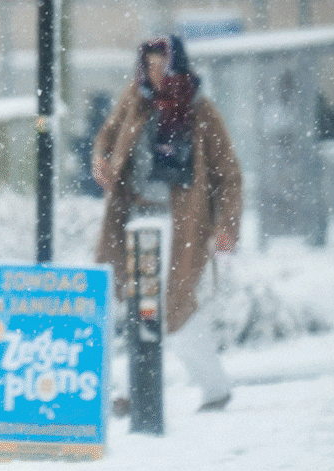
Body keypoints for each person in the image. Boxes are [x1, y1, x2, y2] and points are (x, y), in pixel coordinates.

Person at [91, 35, 243, 413]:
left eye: (162, 66)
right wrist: (100, 161)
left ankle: (149, 390)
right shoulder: (135, 100)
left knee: (170, 304)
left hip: (182, 224)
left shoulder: (200, 110)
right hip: (135, 216)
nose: (155, 74)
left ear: (177, 67)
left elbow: (228, 175)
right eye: (149, 66)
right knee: (143, 302)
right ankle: (184, 389)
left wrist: (227, 225)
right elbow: (106, 138)